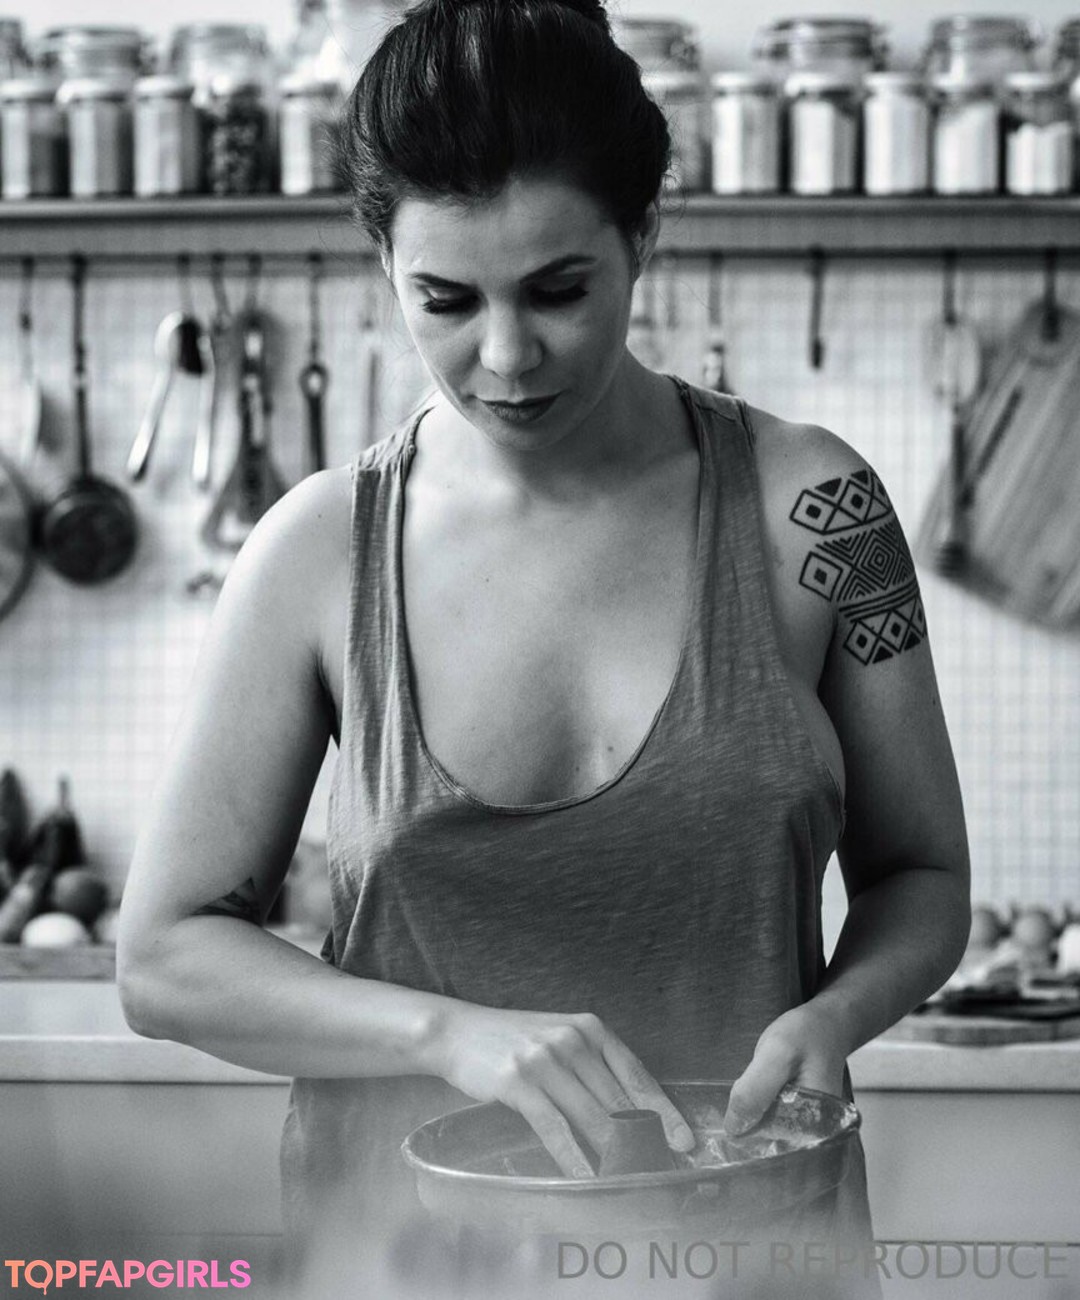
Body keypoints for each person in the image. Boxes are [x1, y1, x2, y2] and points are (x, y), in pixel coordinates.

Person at [117, 1, 971, 1296]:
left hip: (748, 1254)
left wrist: (833, 1016)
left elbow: (922, 876)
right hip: (406, 1263)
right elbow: (163, 959)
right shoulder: (317, 551)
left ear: (644, 237)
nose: (507, 357)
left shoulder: (817, 510)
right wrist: (446, 1035)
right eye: (446, 300)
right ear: (383, 263)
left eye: (560, 291)